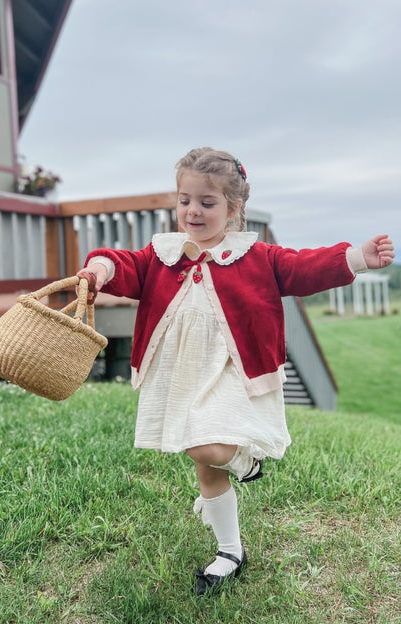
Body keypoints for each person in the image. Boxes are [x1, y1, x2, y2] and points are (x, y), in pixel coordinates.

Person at [77, 147, 395, 596]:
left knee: (209, 445)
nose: (193, 210)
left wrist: (357, 257)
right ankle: (230, 550)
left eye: (207, 202)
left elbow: (305, 267)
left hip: (234, 371)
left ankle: (247, 465)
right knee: (202, 460)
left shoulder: (256, 256)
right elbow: (124, 265)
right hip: (184, 372)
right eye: (185, 199)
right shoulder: (164, 254)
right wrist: (99, 269)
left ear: (233, 208)